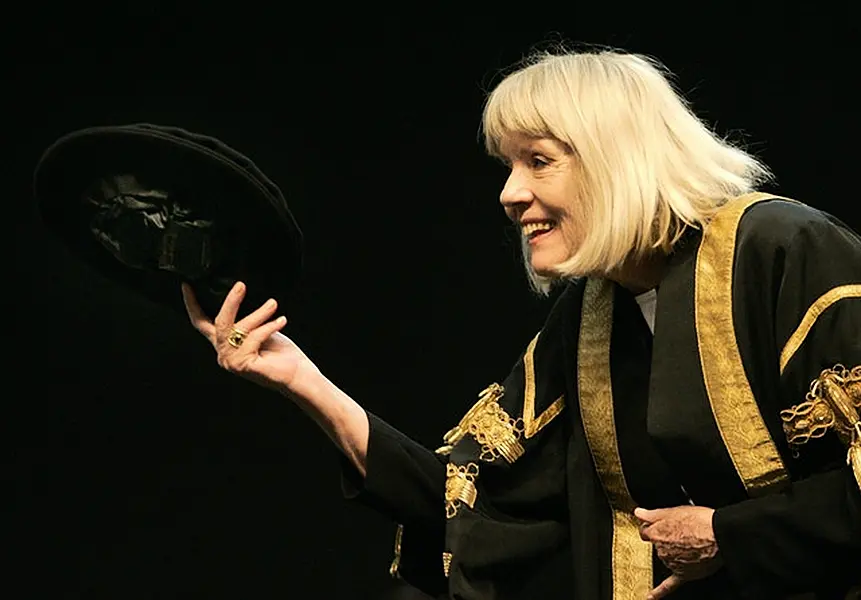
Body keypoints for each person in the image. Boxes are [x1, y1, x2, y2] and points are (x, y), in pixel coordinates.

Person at [181, 49, 861, 600]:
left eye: (538, 161)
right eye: (508, 165)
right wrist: (302, 380)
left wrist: (727, 534)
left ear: (614, 159)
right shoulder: (594, 314)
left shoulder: (781, 250)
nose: (509, 194)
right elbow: (475, 500)